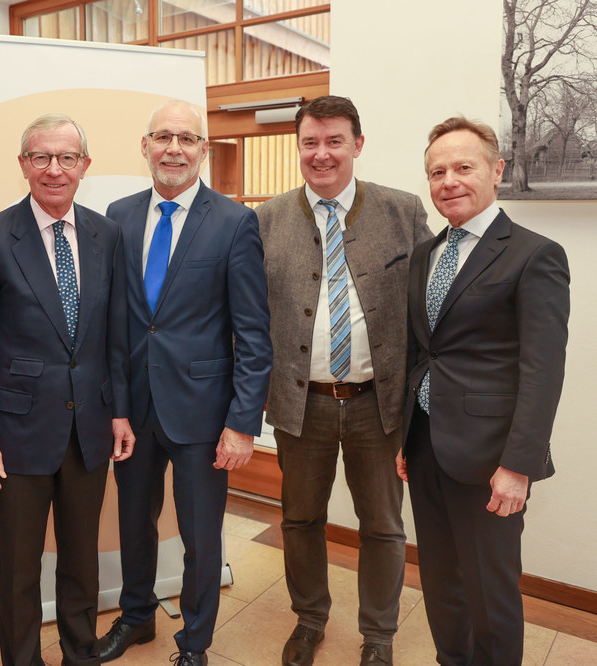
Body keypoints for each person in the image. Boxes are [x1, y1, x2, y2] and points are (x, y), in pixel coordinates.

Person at [256, 95, 432, 666]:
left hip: (377, 407)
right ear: (298, 147)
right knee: (300, 518)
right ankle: (309, 619)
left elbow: (430, 309)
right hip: (299, 405)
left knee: (382, 525)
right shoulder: (264, 220)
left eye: (335, 141)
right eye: (310, 142)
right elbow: (247, 316)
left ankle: (378, 636)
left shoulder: (402, 212)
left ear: (357, 145)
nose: (322, 153)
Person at [97, 99, 272, 666]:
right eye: (163, 137)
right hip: (133, 410)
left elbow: (253, 332)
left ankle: (194, 642)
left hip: (203, 413)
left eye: (187, 139)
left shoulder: (234, 221)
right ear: (145, 146)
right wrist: (116, 408)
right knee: (133, 525)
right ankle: (137, 617)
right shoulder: (116, 216)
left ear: (204, 150)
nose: (174, 148)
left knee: (201, 538)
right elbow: (116, 325)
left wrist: (243, 424)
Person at [0, 113, 135, 666]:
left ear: (85, 166)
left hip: (89, 430)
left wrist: (120, 413)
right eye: (41, 157)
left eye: (66, 158)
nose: (54, 170)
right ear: (23, 165)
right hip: (14, 436)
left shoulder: (107, 234)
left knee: (82, 560)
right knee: (20, 567)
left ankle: (80, 654)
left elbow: (115, 338)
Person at [399, 117, 569, 665]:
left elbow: (544, 372)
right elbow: (422, 352)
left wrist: (518, 465)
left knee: (491, 594)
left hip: (491, 459)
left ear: (497, 171)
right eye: (437, 172)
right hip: (426, 449)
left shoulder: (534, 255)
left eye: (463, 167)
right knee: (442, 584)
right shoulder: (425, 254)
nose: (449, 181)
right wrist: (407, 436)